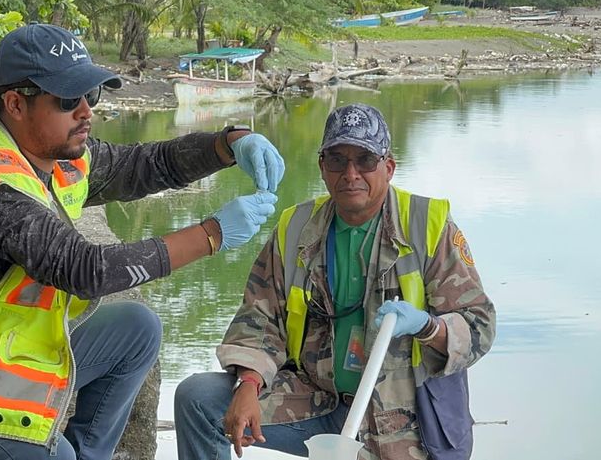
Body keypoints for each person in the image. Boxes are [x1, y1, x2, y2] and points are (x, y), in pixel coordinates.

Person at [0, 23, 285, 460]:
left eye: (92, 96)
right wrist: (212, 235)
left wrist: (227, 143)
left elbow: (142, 165)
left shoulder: (55, 155)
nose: (86, 111)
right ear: (15, 104)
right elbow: (86, 271)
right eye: (68, 100)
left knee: (137, 330)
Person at [174, 104, 496, 460]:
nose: (351, 173)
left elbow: (479, 326)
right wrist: (249, 382)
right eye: (337, 160)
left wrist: (428, 327)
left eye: (365, 160)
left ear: (388, 168)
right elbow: (260, 316)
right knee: (199, 400)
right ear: (322, 167)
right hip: (317, 400)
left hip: (403, 421)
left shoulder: (427, 225)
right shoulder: (295, 227)